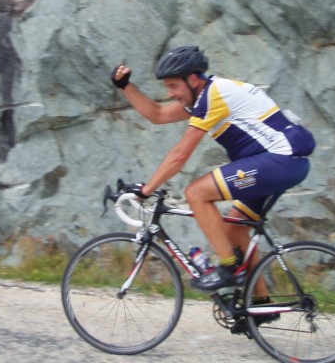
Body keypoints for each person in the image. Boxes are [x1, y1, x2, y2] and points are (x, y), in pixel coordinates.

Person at [110, 45, 315, 294]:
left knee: (196, 193)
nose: (171, 93)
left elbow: (180, 155)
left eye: (174, 86)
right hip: (280, 161)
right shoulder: (204, 96)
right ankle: (262, 304)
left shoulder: (212, 96)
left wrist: (147, 189)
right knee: (235, 229)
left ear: (193, 79)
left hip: (280, 158)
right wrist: (125, 86)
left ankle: (228, 268)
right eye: (168, 88)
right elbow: (158, 114)